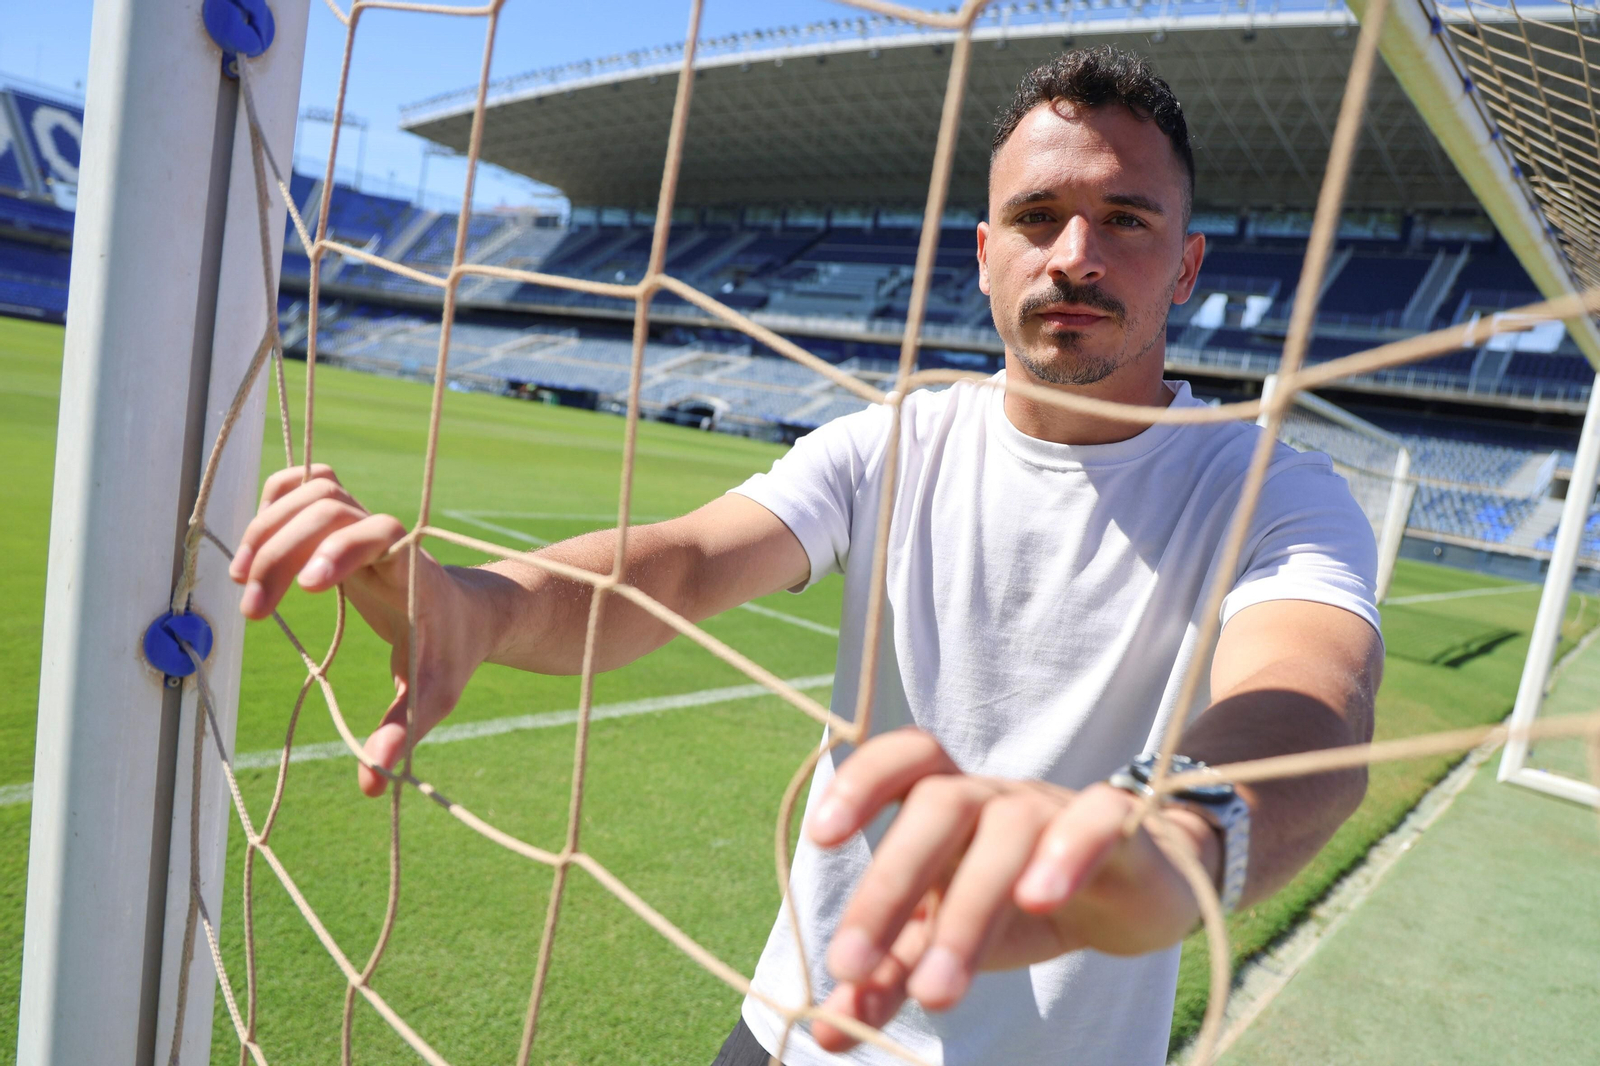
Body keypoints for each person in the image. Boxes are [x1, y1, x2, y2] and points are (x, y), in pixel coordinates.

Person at [230, 46, 1382, 1066]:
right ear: (986, 255)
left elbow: (1312, 696)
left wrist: (1180, 831)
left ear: (1185, 266)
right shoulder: (895, 440)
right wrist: (483, 605)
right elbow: (683, 561)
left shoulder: (1271, 488)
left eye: (1126, 219)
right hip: (796, 1033)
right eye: (1038, 216)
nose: (1074, 254)